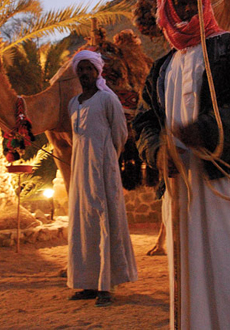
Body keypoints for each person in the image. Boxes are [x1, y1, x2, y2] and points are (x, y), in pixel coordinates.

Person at [132, 0, 230, 329]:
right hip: (180, 189)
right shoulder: (161, 68)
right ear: (166, 10)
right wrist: (156, 152)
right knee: (187, 274)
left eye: (192, 3)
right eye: (179, 4)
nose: (186, 9)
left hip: (223, 181)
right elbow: (144, 122)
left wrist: (207, 130)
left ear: (205, 6)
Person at [66, 50, 138, 307]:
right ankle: (88, 283)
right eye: (81, 69)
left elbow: (120, 133)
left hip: (104, 168)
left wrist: (106, 158)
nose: (85, 73)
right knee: (83, 224)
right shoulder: (74, 103)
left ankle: (107, 286)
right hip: (80, 171)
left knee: (105, 221)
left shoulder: (108, 99)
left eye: (89, 69)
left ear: (98, 71)